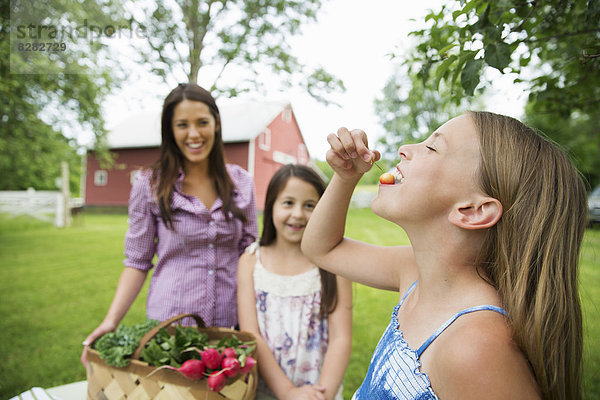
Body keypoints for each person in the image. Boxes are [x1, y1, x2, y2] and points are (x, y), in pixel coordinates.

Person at [301, 111, 587, 400]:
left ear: (473, 211)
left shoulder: (474, 348)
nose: (404, 149)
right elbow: (322, 249)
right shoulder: (413, 272)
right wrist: (345, 177)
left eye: (432, 147)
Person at [81, 83, 258, 364]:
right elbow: (137, 262)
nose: (194, 134)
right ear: (170, 130)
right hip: (170, 328)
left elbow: (251, 254)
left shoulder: (242, 183)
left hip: (230, 325)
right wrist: (111, 321)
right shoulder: (149, 186)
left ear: (216, 124)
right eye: (182, 125)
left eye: (202, 123)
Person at [237, 164, 353, 400]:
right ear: (271, 206)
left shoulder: (334, 265)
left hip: (319, 391)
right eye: (288, 203)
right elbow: (251, 333)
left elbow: (341, 337)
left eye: (309, 205)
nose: (298, 214)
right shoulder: (250, 261)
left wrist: (324, 394)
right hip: (266, 390)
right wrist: (287, 392)